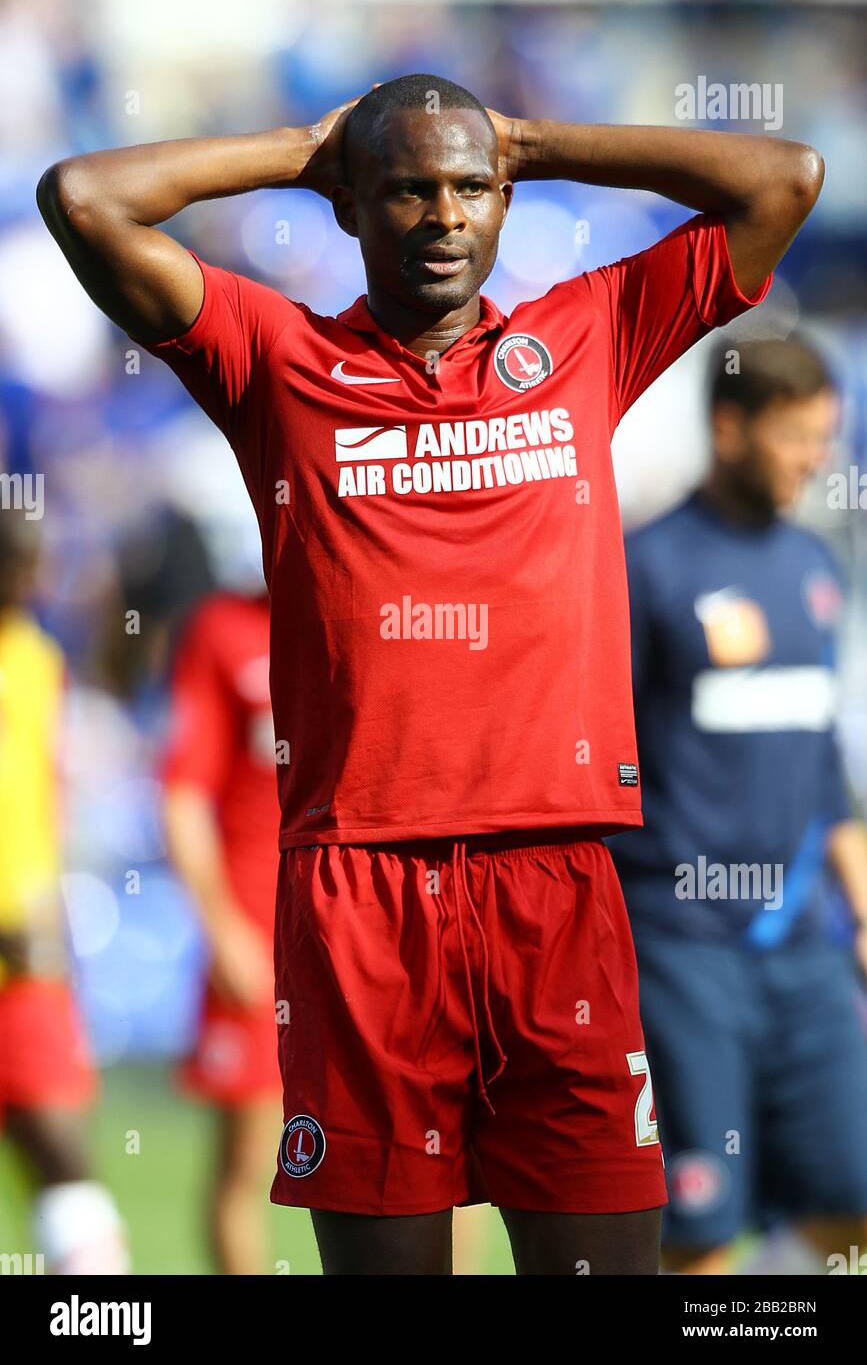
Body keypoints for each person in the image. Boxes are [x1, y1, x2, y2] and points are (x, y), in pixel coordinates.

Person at [37, 72, 822, 1275]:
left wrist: (532, 137)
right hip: (362, 895)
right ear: (350, 207)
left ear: (506, 200)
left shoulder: (586, 337)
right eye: (406, 188)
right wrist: (312, 143)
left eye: (471, 186)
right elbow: (84, 196)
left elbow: (784, 180)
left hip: (554, 881)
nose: (445, 214)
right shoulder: (275, 361)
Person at [609, 335, 867, 1275]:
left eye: (824, 438)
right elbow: (601, 765)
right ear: (729, 427)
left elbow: (821, 763)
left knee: (852, 1205)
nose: (816, 460)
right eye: (798, 437)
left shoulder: (816, 569)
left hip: (804, 947)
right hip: (682, 949)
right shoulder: (644, 568)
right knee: (700, 1234)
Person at [0, 512, 129, 1274]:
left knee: (62, 1156)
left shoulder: (38, 661)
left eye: (35, 563)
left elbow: (43, 806)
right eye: (17, 562)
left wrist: (53, 916)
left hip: (29, 956)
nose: (32, 578)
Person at [162, 587, 283, 1275]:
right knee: (246, 1157)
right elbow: (182, 791)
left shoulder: (376, 605)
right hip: (255, 925)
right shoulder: (221, 628)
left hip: (372, 924)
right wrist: (220, 926)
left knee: (431, 1154)